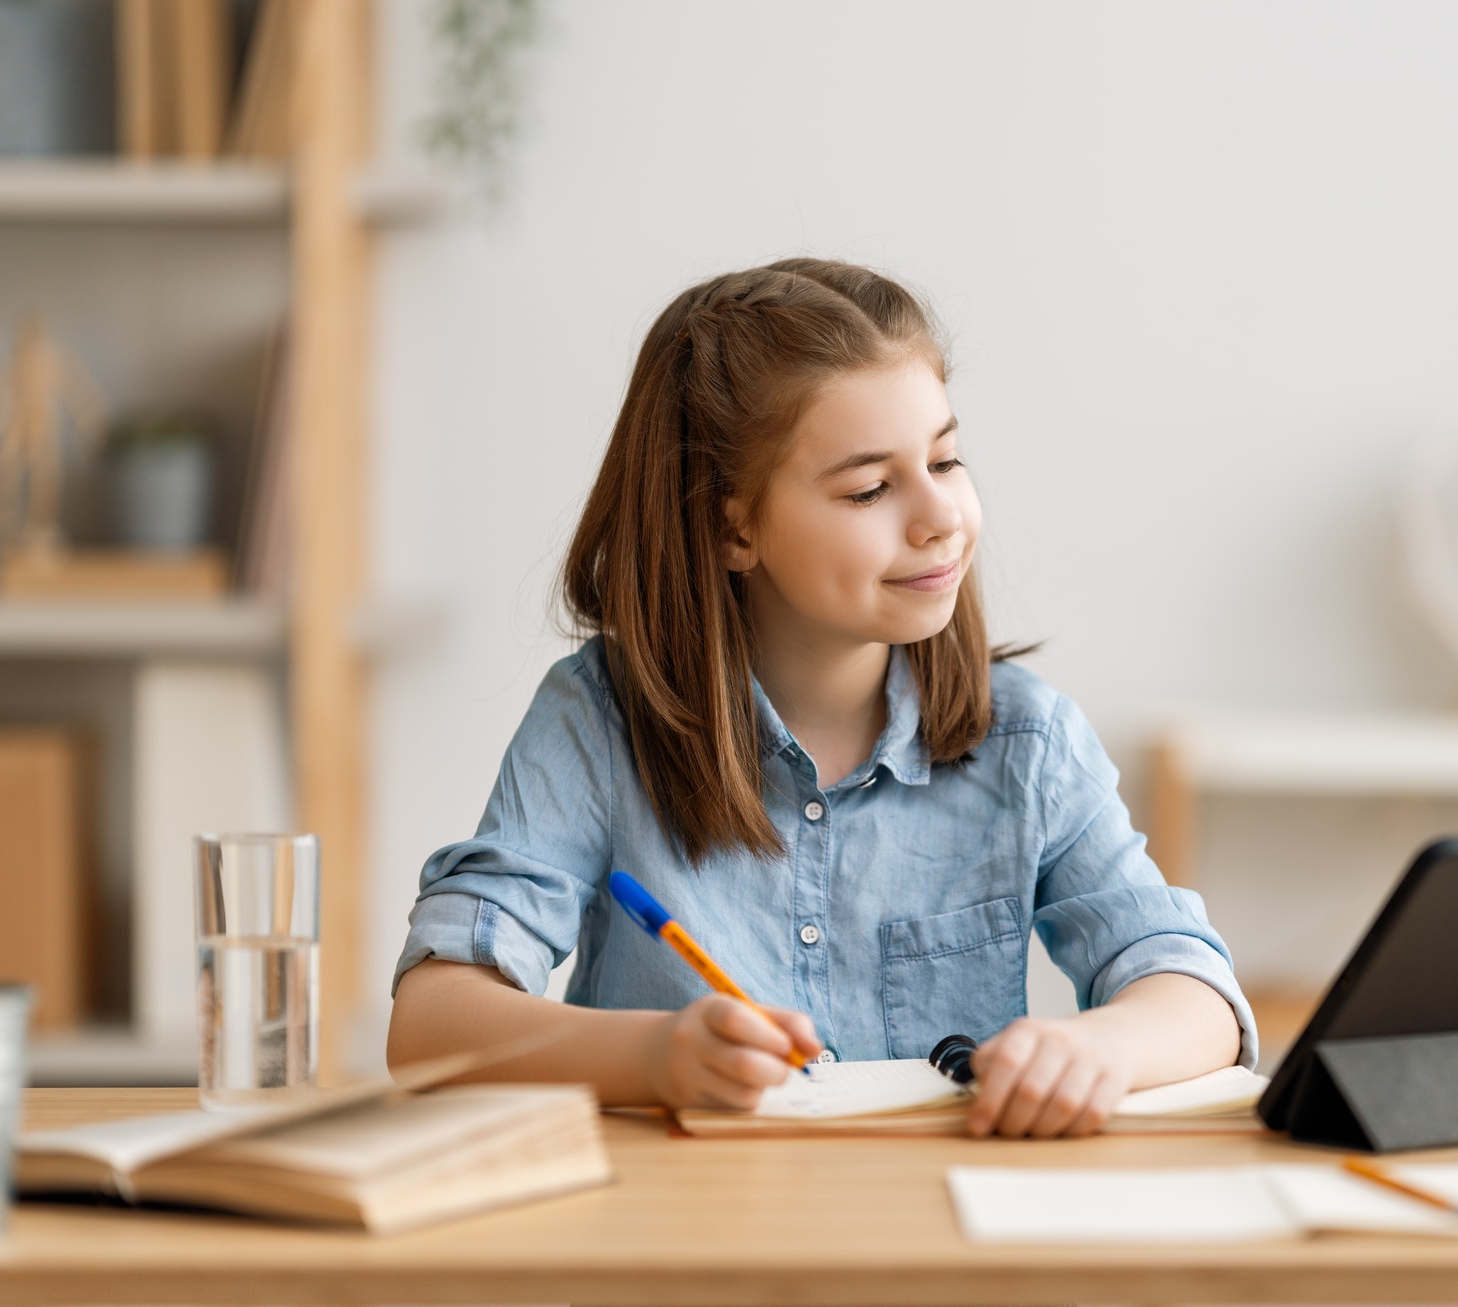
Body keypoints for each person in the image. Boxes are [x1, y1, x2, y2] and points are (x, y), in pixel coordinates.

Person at [387, 258, 1256, 1138]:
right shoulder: (600, 721)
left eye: (945, 459)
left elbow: (1194, 992)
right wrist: (654, 1057)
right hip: (683, 1257)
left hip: (946, 1255)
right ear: (735, 527)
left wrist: (1103, 1047)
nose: (939, 515)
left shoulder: (1026, 740)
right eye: (870, 488)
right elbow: (432, 1024)